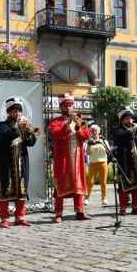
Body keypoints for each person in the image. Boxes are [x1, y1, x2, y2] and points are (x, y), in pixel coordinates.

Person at [48, 93, 92, 223]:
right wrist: (68, 124)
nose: (69, 108)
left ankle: (79, 211)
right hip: (63, 159)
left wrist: (78, 126)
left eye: (71, 105)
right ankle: (58, 213)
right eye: (66, 105)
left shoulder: (79, 119)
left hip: (77, 158)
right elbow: (56, 134)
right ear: (61, 107)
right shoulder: (56, 122)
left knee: (78, 183)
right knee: (60, 184)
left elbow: (86, 136)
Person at [0, 97, 37, 228]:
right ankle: (5, 218)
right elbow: (4, 137)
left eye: (19, 111)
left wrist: (29, 132)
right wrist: (17, 128)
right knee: (5, 190)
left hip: (21, 163)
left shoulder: (23, 125)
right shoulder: (2, 126)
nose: (18, 113)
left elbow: (31, 143)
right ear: (8, 112)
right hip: (6, 165)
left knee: (22, 190)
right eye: (14, 111)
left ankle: (20, 217)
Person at [111, 108, 137, 214]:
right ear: (122, 120)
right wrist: (133, 131)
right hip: (125, 162)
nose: (130, 121)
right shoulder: (117, 129)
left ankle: (135, 207)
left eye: (131, 119)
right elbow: (121, 136)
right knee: (124, 186)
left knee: (136, 185)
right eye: (127, 119)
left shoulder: (135, 128)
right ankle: (122, 208)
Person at [85, 125, 109, 206]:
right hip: (93, 163)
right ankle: (87, 198)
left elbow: (108, 151)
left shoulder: (103, 140)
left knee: (103, 181)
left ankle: (104, 198)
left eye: (95, 131)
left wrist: (101, 143)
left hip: (103, 162)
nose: (94, 132)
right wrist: (90, 144)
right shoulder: (89, 141)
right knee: (90, 181)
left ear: (98, 132)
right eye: (92, 131)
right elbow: (87, 153)